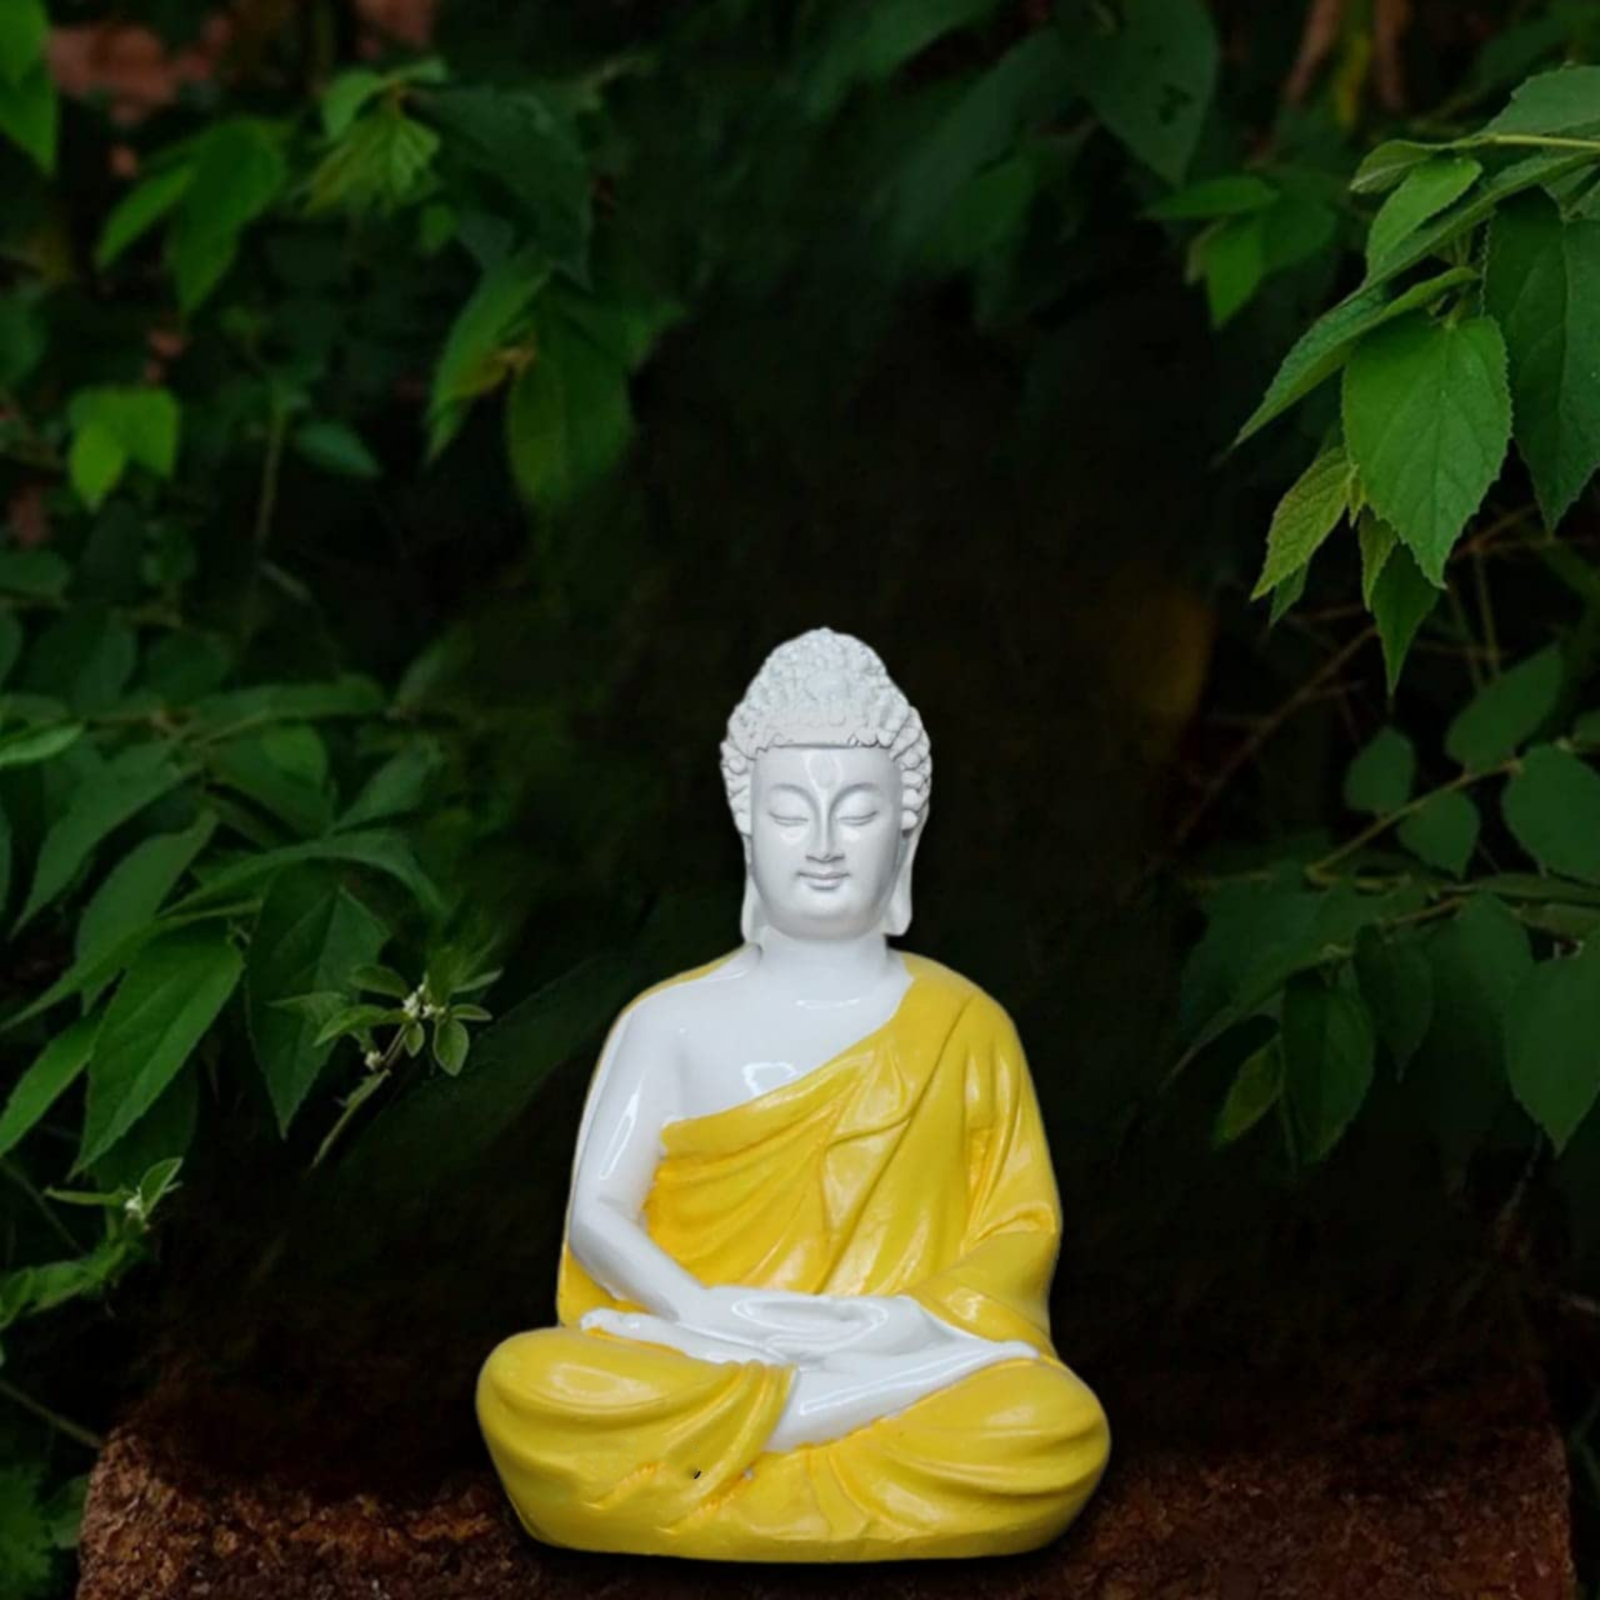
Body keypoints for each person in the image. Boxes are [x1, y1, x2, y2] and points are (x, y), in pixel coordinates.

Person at [477, 627, 1110, 1561]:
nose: (820, 845)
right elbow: (597, 1219)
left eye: (855, 812)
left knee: (1051, 1425)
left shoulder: (966, 1025)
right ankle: (829, 1422)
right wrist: (704, 1315)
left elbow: (1020, 1233)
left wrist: (891, 1324)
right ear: (745, 822)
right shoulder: (670, 1021)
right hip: (705, 1344)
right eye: (789, 812)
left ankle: (762, 1448)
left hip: (890, 1346)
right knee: (527, 1385)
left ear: (906, 831)